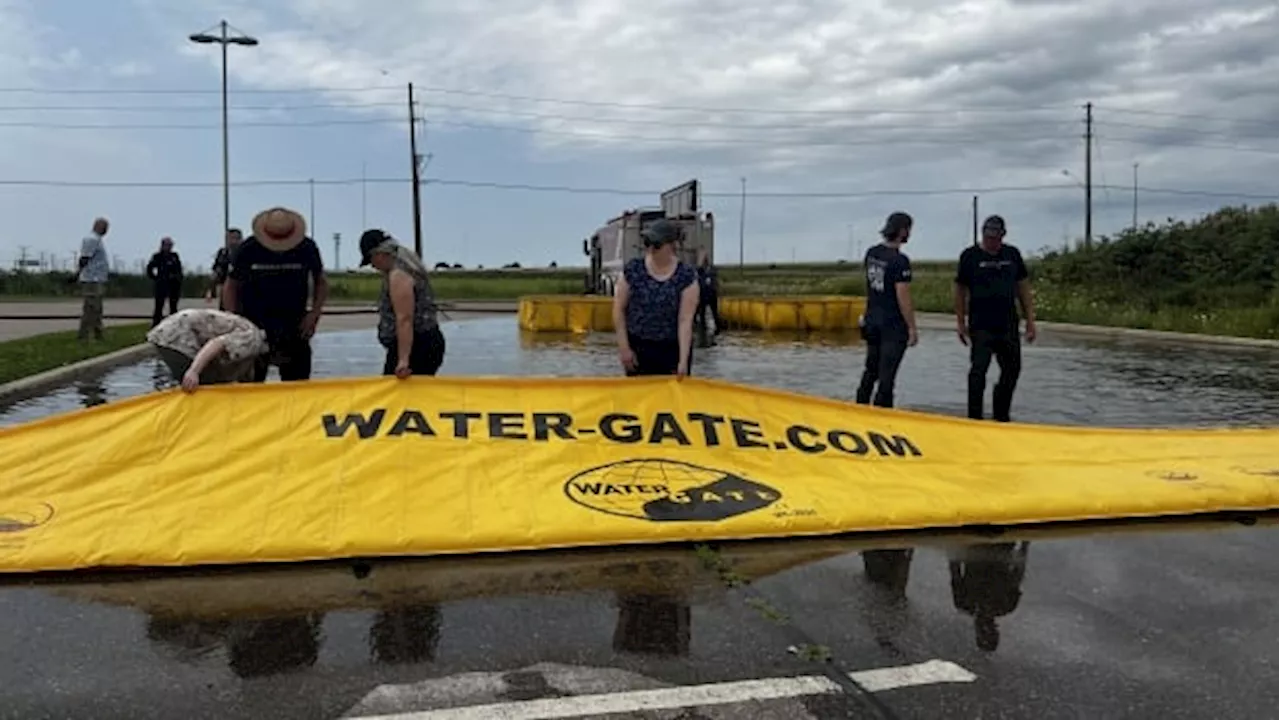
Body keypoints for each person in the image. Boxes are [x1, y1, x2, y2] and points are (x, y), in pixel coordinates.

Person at [221, 207, 328, 383]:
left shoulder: (306, 247)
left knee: (297, 385)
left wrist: (314, 314)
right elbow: (231, 285)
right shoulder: (248, 248)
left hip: (294, 325)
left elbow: (321, 281)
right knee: (250, 387)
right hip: (254, 325)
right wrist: (234, 320)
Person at [954, 215, 1038, 422]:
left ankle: (1001, 414)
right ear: (983, 234)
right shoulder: (970, 256)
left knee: (1012, 369)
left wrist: (1030, 320)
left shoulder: (1012, 254)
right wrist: (960, 322)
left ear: (1003, 236)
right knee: (978, 370)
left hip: (1008, 323)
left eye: (996, 238)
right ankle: (974, 417)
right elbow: (959, 290)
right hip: (981, 324)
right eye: (989, 237)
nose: (993, 242)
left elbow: (1023, 287)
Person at [611, 219, 700, 377]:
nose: (651, 248)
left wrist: (683, 361)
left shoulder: (686, 276)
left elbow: (685, 320)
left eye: (657, 244)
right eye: (647, 242)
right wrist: (624, 348)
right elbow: (618, 309)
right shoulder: (633, 270)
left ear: (671, 246)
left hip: (672, 349)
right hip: (638, 347)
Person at [359, 228, 447, 378]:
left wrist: (403, 360)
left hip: (417, 346)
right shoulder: (411, 269)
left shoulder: (398, 275)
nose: (373, 266)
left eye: (371, 259)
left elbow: (404, 318)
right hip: (426, 342)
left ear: (380, 253)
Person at [855, 211, 918, 408]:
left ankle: (859, 407)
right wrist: (912, 327)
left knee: (870, 369)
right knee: (887, 376)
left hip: (872, 319)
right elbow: (903, 296)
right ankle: (883, 416)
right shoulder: (900, 261)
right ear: (902, 231)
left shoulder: (872, 253)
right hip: (892, 325)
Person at [146, 308, 269, 393]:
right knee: (197, 386)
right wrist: (194, 371)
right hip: (179, 335)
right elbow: (216, 343)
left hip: (165, 332)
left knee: (201, 384)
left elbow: (244, 380)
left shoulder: (249, 335)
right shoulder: (254, 339)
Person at [76, 217, 110, 341]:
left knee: (97, 309)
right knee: (91, 309)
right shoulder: (91, 239)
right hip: (92, 279)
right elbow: (84, 258)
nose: (107, 230)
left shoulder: (98, 240)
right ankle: (83, 335)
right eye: (105, 227)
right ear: (98, 226)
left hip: (98, 279)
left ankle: (98, 334)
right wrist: (77, 274)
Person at [146, 236, 184, 327]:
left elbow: (179, 269)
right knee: (159, 306)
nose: (169, 247)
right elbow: (150, 268)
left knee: (173, 307)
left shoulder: (174, 256)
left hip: (173, 285)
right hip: (162, 284)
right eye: (167, 245)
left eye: (170, 245)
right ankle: (156, 324)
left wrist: (178, 278)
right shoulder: (157, 256)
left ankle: (174, 325)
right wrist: (155, 278)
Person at [205, 228, 242, 310]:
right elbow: (216, 271)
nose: (234, 242)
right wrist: (210, 290)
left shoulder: (244, 253)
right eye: (231, 238)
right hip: (223, 286)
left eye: (237, 238)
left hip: (239, 287)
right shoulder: (222, 253)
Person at [695, 249, 722, 335]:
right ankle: (703, 329)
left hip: (711, 294)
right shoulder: (700, 270)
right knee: (701, 313)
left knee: (714, 313)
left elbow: (715, 281)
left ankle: (717, 329)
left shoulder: (712, 270)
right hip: (703, 295)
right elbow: (698, 270)